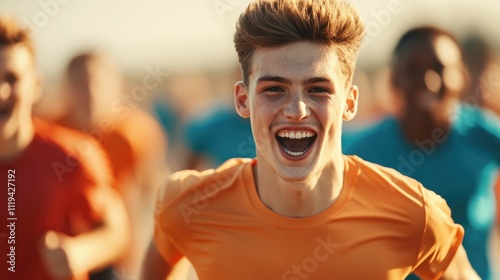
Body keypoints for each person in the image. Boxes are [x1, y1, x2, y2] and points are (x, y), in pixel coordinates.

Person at [142, 1, 480, 279]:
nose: (296, 110)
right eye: (274, 89)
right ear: (243, 100)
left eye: (318, 89)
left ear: (350, 102)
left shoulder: (415, 212)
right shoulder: (187, 205)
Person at [345, 26, 500, 280]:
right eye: (413, 71)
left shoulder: (483, 135)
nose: (427, 81)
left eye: (439, 69)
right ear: (395, 80)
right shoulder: (361, 153)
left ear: (461, 77)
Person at [0, 15, 130, 280]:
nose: (0, 92)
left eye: (11, 78)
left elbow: (117, 231)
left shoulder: (73, 155)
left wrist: (79, 252)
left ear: (35, 85)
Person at [56, 51, 171, 279]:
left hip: (119, 256)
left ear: (114, 86)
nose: (90, 93)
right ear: (67, 88)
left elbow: (152, 194)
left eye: (96, 83)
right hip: (64, 253)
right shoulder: (53, 132)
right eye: (80, 83)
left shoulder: (135, 133)